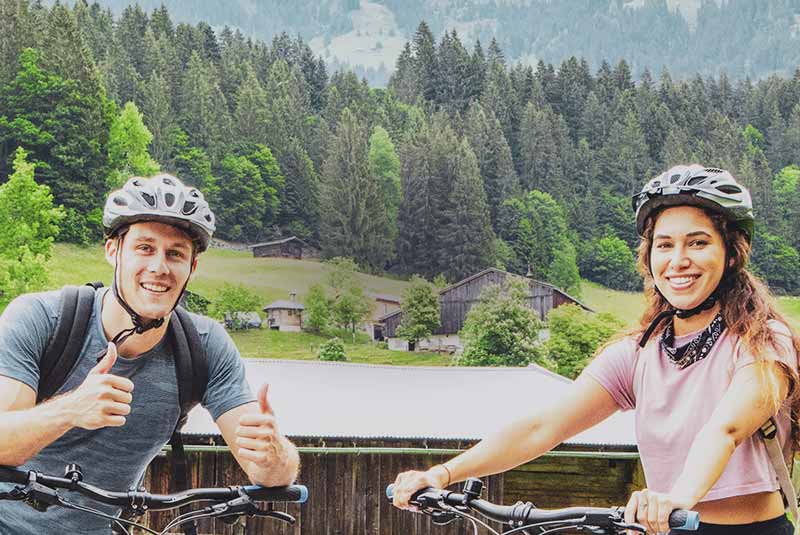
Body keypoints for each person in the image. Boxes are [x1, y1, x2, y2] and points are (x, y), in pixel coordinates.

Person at [392, 164, 800, 535]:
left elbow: (725, 429)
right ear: (648, 256)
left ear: (730, 254)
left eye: (697, 243)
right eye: (664, 245)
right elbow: (544, 427)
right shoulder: (639, 351)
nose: (678, 260)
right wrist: (443, 475)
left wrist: (677, 497)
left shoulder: (763, 341)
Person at [0, 174, 300, 534]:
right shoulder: (42, 319)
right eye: (145, 248)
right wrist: (72, 408)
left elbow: (268, 473)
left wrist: (275, 452)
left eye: (175, 253)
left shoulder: (203, 345)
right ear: (113, 250)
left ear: (192, 267)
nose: (159, 267)